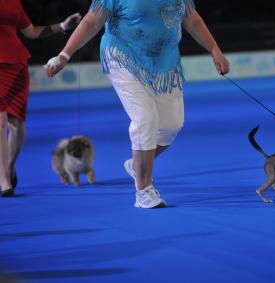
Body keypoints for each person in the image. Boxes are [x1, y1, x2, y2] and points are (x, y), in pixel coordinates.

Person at [45, 0, 229, 208]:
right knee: (145, 119)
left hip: (164, 65)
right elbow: (91, 22)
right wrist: (64, 55)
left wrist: (214, 49)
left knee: (171, 126)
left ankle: (137, 164)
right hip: (123, 58)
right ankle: (143, 190)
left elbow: (192, 19)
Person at [0, 0, 81, 197]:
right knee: (1, 120)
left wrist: (63, 26)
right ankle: (4, 181)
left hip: (17, 65)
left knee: (17, 125)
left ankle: (9, 167)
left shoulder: (13, 2)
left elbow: (32, 32)